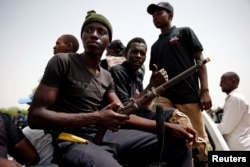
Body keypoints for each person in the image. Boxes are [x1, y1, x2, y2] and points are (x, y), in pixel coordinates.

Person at [28, 10, 197, 167]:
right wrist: (96, 117)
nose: (94, 34)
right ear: (82, 36)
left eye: (101, 32)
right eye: (89, 30)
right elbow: (36, 117)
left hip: (104, 137)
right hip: (73, 140)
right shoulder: (62, 62)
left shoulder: (106, 76)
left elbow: (124, 113)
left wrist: (167, 127)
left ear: (108, 40)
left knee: (180, 142)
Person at [146, 2, 212, 166]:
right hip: (165, 98)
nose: (155, 17)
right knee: (162, 131)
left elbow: (200, 61)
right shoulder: (155, 47)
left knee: (199, 141)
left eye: (160, 13)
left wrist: (205, 90)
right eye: (153, 15)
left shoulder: (184, 32)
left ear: (171, 15)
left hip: (187, 96)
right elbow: (154, 75)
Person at [216, 72, 250, 150]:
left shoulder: (235, 99)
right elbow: (223, 106)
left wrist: (208, 127)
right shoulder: (234, 98)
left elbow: (225, 128)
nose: (220, 85)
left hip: (240, 147)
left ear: (233, 81)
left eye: (222, 82)